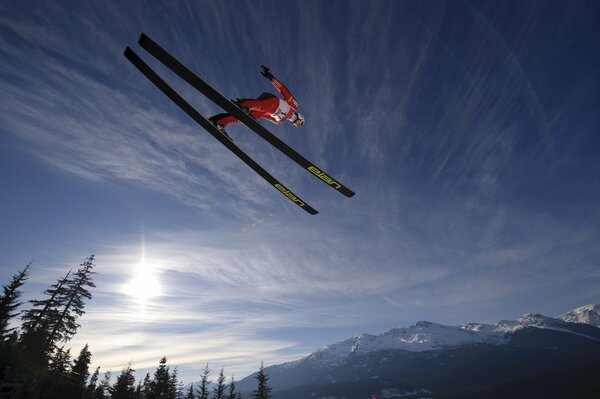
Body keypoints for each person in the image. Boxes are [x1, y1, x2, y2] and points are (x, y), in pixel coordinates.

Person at [209, 66, 304, 140]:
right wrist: (272, 78)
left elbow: (265, 116)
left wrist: (252, 117)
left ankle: (219, 122)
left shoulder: (280, 121)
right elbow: (283, 90)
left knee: (247, 117)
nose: (295, 123)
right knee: (265, 107)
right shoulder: (294, 106)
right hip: (271, 101)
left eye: (296, 124)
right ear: (299, 116)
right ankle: (244, 104)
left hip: (263, 109)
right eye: (298, 122)